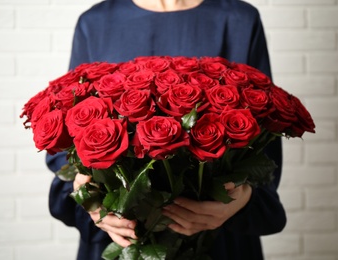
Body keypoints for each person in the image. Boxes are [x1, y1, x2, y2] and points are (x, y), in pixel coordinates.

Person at [46, 0, 286, 259]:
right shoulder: (95, 22)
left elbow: (265, 142)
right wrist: (89, 199)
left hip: (217, 237)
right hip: (123, 238)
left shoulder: (239, 19)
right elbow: (68, 135)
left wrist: (242, 200)